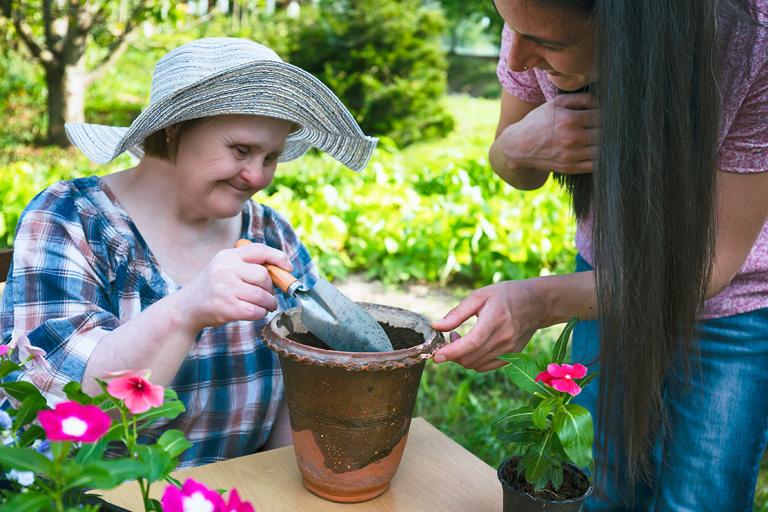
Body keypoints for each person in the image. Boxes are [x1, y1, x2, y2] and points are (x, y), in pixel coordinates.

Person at [432, 0, 768, 509]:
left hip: (735, 307)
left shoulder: (752, 41)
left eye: (551, 44)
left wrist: (540, 301)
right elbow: (511, 161)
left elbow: (711, 263)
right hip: (607, 281)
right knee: (600, 481)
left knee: (701, 496)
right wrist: (515, 149)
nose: (517, 58)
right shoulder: (531, 15)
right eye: (509, 27)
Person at [0, 37, 377, 468]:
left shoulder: (269, 232)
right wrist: (187, 309)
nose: (257, 176)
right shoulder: (71, 220)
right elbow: (74, 411)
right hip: (110, 491)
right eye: (241, 150)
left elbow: (304, 381)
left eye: (270, 157)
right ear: (173, 128)